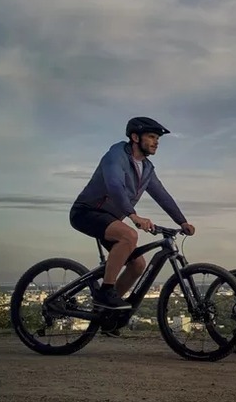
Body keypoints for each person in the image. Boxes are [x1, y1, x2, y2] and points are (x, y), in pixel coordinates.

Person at [69, 116, 196, 313]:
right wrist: (133, 215)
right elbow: (115, 185)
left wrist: (182, 221)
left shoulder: (147, 168)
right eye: (151, 137)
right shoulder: (116, 155)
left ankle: (106, 313)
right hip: (86, 212)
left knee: (137, 265)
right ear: (135, 137)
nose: (156, 142)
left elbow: (162, 196)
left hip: (111, 220)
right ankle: (105, 292)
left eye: (158, 139)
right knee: (129, 235)